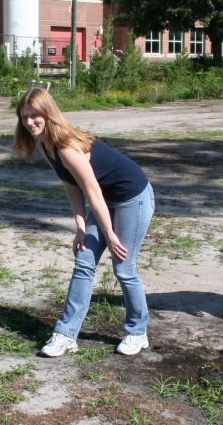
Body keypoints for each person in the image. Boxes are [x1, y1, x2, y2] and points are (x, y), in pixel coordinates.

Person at [14, 88, 155, 357]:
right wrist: (81, 228)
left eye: (34, 115)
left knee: (123, 267)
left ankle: (137, 332)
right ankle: (66, 335)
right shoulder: (46, 144)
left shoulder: (66, 147)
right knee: (84, 259)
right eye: (24, 117)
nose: (29, 122)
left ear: (48, 113)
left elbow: (92, 191)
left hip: (132, 198)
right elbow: (72, 187)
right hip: (107, 201)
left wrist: (111, 236)